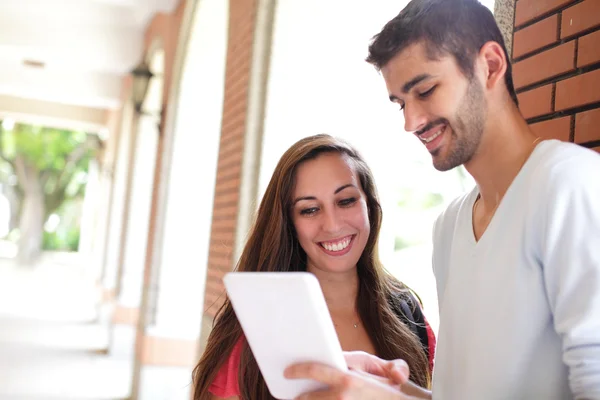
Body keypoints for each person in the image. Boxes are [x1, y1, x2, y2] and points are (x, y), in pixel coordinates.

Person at [287, 0, 600, 398]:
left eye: (425, 90)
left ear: (490, 64)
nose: (410, 122)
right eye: (401, 102)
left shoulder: (569, 184)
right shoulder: (450, 225)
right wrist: (377, 391)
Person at [192, 134, 436, 400]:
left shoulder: (408, 312)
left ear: (370, 206)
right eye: (309, 209)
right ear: (289, 223)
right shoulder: (255, 324)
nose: (332, 225)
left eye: (346, 201)